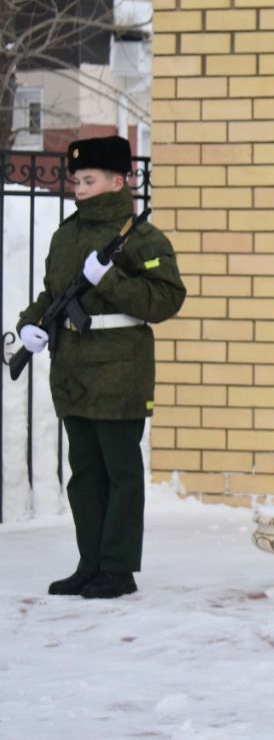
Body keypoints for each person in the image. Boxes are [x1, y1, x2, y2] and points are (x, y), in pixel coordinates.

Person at [16, 136, 186, 599]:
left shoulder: (142, 236)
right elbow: (52, 296)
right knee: (84, 473)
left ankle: (117, 567)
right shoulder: (66, 234)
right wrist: (31, 324)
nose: (80, 189)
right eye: (77, 181)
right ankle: (90, 562)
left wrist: (108, 277)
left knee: (121, 472)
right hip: (72, 369)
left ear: (119, 180)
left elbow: (166, 300)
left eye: (89, 180)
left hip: (119, 371)